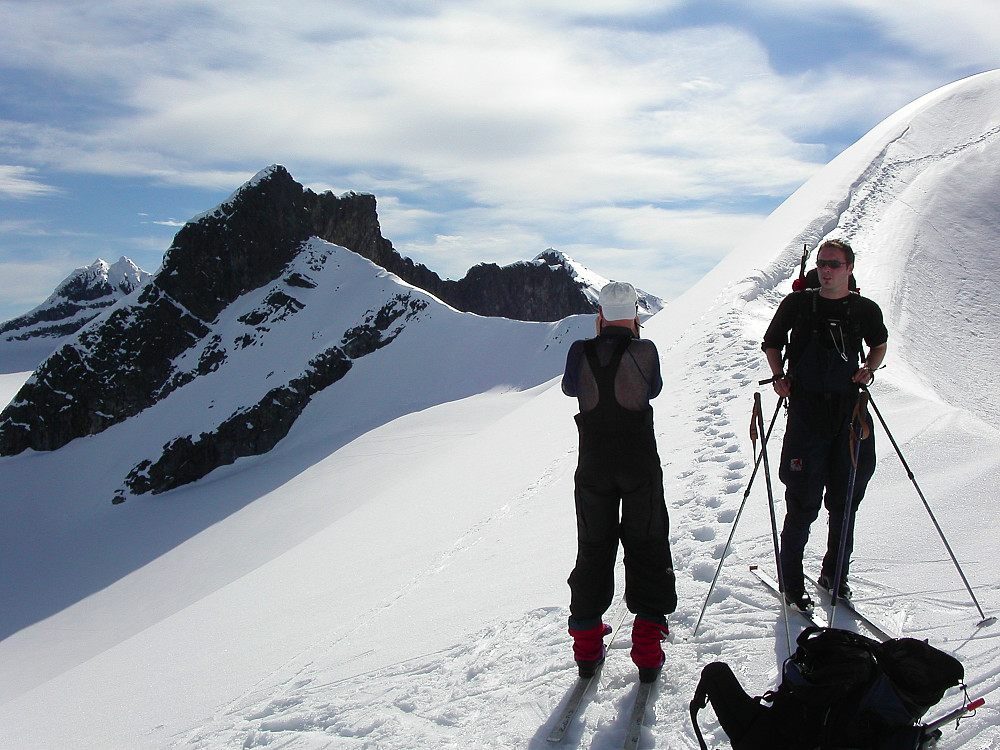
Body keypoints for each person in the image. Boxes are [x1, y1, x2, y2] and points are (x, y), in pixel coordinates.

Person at [761, 240, 888, 612]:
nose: (826, 270)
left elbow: (878, 344)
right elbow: (771, 343)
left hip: (850, 415)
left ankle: (836, 574)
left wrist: (870, 368)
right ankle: (792, 581)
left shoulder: (864, 309)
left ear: (849, 267)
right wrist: (778, 375)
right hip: (806, 411)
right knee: (802, 501)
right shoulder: (798, 304)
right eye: (821, 264)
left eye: (833, 264)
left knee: (845, 499)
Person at [561, 281, 677, 683]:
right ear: (635, 315)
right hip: (639, 463)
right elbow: (653, 389)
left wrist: (598, 341)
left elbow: (570, 388)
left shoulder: (580, 351)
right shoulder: (645, 351)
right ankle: (647, 647)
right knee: (647, 543)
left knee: (593, 546)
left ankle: (587, 646)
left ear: (599, 316)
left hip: (593, 465)